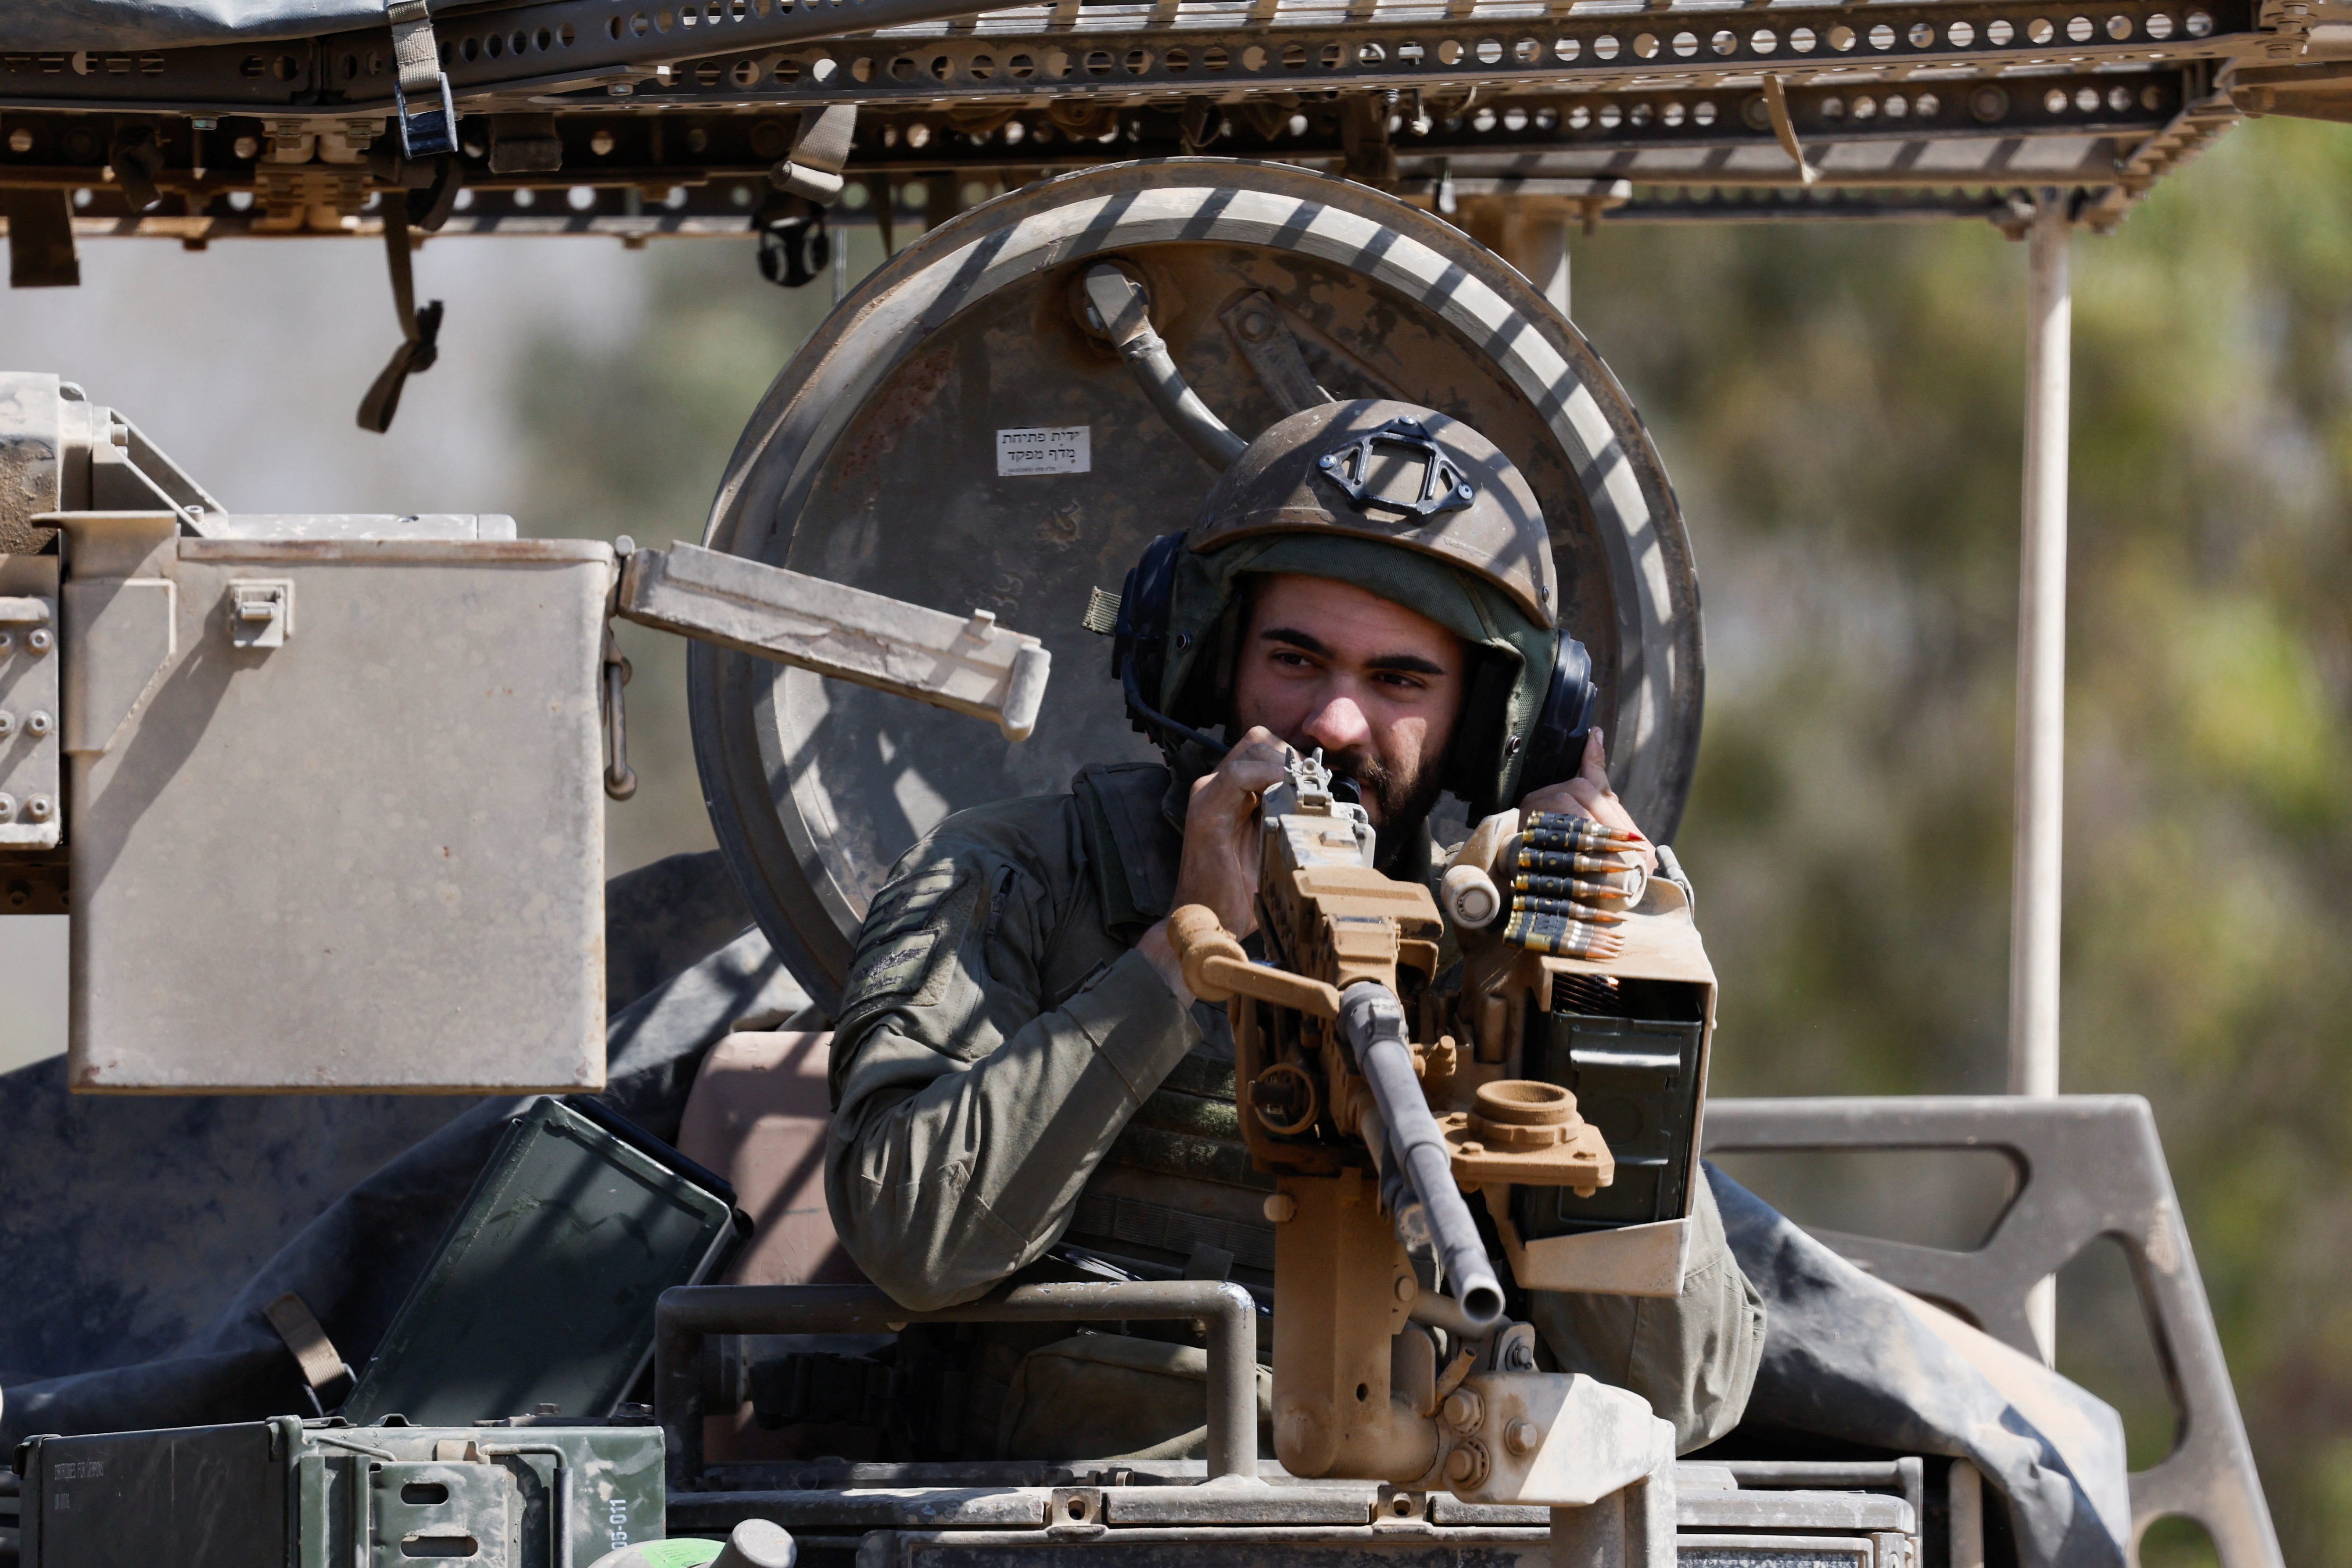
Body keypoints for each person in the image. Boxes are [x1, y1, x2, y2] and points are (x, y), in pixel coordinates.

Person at [824, 399, 1768, 1460]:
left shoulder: (1503, 950)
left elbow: (1683, 1391)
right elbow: (911, 1238)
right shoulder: (1016, 875)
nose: (1333, 722)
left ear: (1490, 725)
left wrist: (1602, 971)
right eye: (1294, 659)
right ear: (1208, 661)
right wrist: (1175, 962)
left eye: (1398, 680)